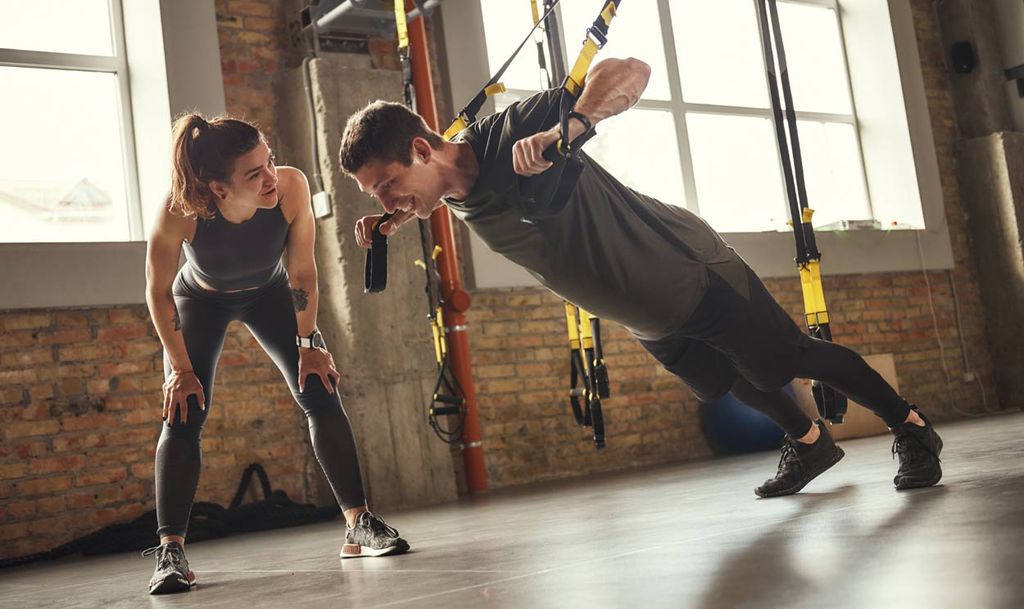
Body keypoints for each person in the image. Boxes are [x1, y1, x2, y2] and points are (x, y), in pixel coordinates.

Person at [337, 57, 944, 502]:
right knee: (720, 381)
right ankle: (811, 442)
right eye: (376, 195)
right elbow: (447, 189)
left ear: (421, 149)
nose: (386, 200)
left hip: (686, 270)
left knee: (790, 358)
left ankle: (912, 429)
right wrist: (393, 216)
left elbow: (631, 69)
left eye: (386, 185)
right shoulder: (445, 183)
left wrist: (567, 129)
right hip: (647, 313)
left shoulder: (515, 132)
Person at [143, 114, 409, 595]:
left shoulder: (289, 187)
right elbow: (158, 291)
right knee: (184, 411)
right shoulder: (181, 209)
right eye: (253, 173)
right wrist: (180, 369)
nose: (271, 177)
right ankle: (171, 552)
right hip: (198, 300)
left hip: (270, 293)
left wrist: (308, 346)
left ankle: (359, 524)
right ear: (217, 189)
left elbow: (303, 271)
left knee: (319, 386)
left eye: (269, 161)